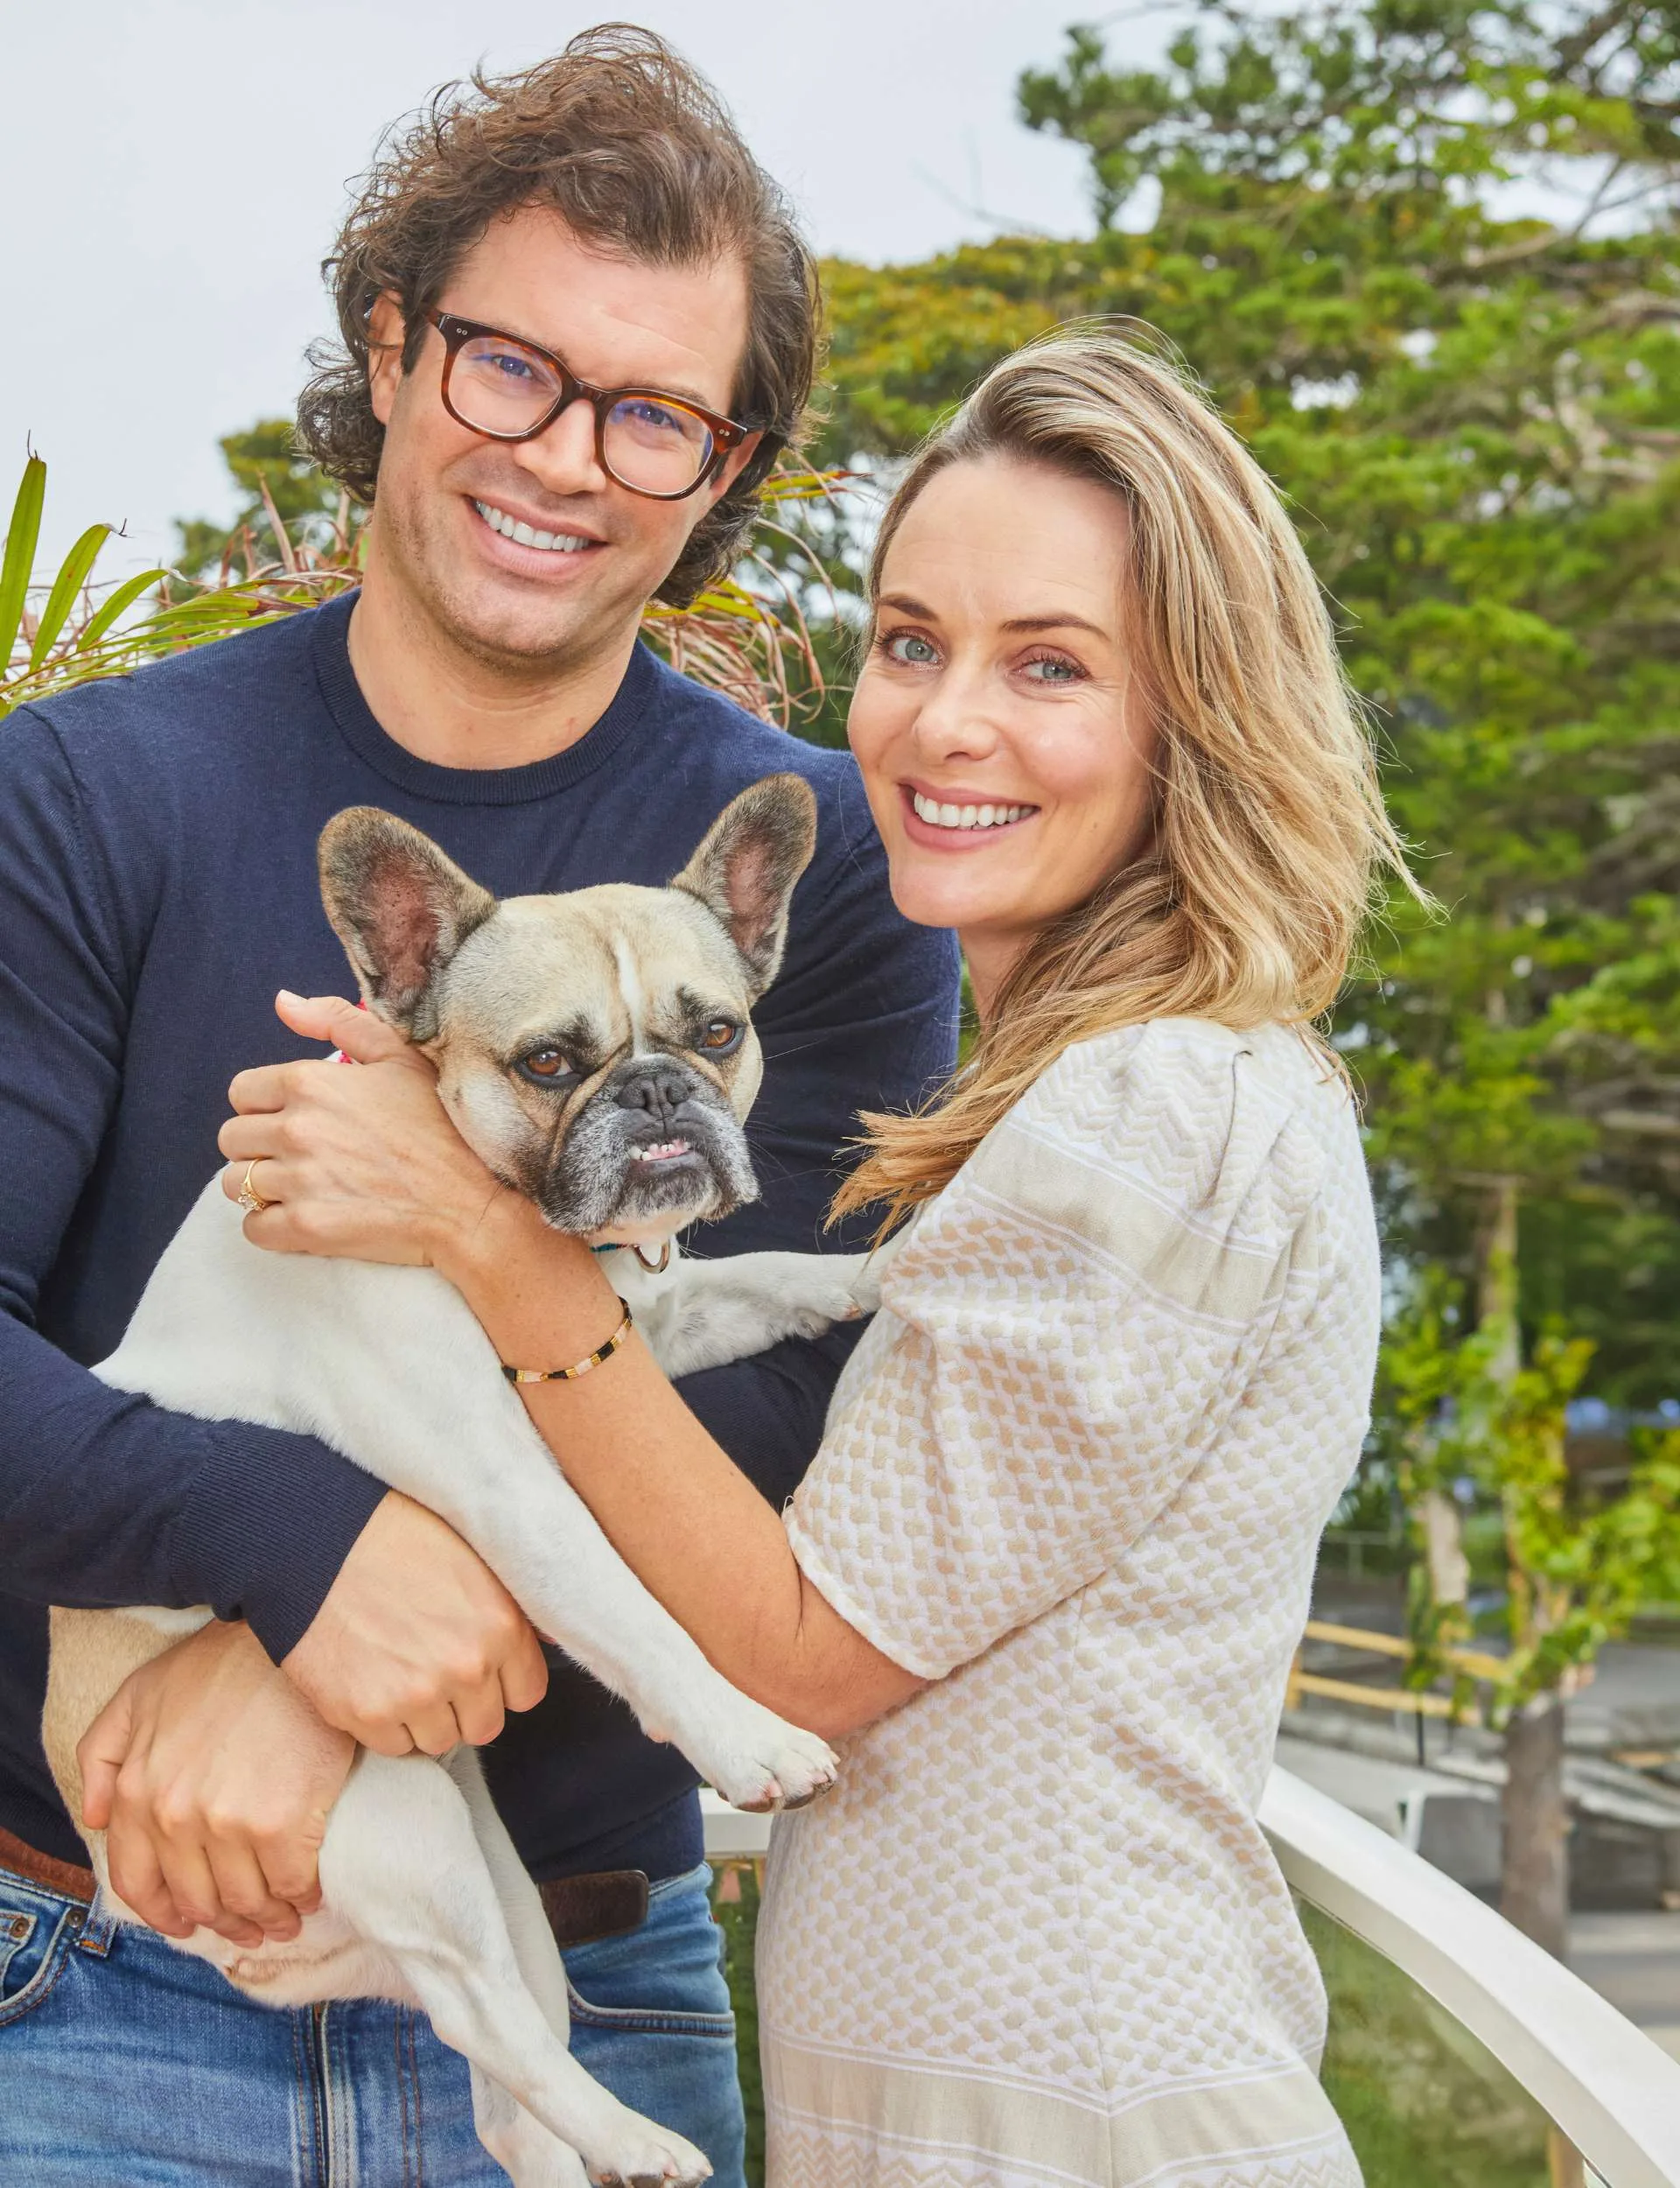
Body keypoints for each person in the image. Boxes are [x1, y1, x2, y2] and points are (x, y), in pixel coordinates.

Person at [175, 322, 1416, 2186]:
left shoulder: (1155, 1111)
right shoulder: (1098, 1090)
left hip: (1074, 2118)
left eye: (1051, 664)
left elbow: (804, 1652)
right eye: (910, 641)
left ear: (1198, 711)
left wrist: (483, 1236)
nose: (945, 718)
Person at [0, 28, 956, 2185]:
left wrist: (318, 1671)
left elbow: (809, 1417)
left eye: (654, 412)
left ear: (724, 467)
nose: (568, 458)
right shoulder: (74, 799)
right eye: (511, 367)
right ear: (392, 344)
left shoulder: (832, 858)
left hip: (597, 1967)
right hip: (91, 1976)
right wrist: (289, 1554)